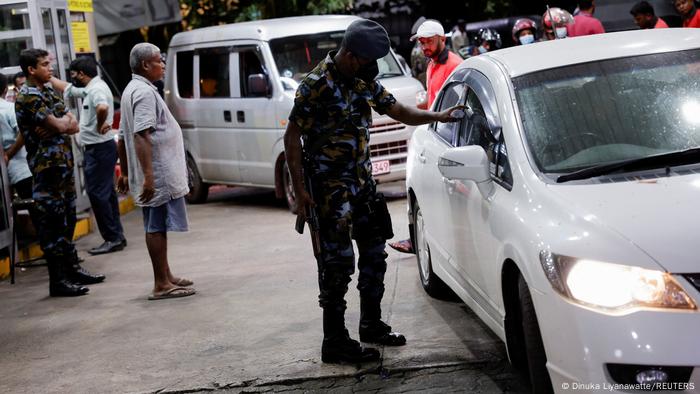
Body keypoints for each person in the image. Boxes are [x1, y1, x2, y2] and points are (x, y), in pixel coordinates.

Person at [284, 18, 463, 364]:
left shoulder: (363, 79)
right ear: (351, 55)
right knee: (336, 266)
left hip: (363, 185)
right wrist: (299, 189)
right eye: (367, 61)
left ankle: (371, 324)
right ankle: (334, 341)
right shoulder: (315, 85)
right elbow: (293, 135)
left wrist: (439, 116)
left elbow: (400, 111)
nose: (371, 68)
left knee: (374, 255)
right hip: (329, 191)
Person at [15, 48, 105, 297]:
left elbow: (72, 123)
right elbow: (58, 123)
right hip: (46, 170)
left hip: (62, 167)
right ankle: (58, 280)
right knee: (52, 224)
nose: (51, 68)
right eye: (45, 64)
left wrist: (60, 126)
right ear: (32, 70)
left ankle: (72, 269)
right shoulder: (28, 97)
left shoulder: (46, 91)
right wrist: (60, 125)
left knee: (66, 219)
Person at [117, 43, 196, 301]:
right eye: (158, 60)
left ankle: (166, 275)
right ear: (145, 65)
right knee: (155, 226)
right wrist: (149, 176)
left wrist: (126, 173)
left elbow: (121, 138)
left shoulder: (136, 89)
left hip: (152, 172)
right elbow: (141, 135)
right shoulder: (142, 93)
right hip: (157, 174)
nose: (162, 64)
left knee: (157, 224)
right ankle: (161, 283)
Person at [389, 19, 461, 255]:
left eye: (428, 41)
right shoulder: (431, 65)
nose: (424, 47)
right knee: (421, 190)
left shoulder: (455, 65)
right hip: (433, 135)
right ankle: (418, 237)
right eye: (421, 43)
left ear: (442, 39)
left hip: (449, 138)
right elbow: (432, 102)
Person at [49, 56, 127, 255]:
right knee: (107, 193)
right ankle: (117, 236)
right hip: (99, 148)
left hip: (99, 149)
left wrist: (101, 123)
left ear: (82, 74)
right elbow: (67, 87)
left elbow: (102, 107)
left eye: (74, 74)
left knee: (97, 194)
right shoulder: (90, 87)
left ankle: (112, 238)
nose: (73, 77)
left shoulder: (96, 89)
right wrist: (48, 77)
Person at [0, 74, 34, 205]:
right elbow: (24, 133)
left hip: (13, 172)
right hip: (20, 170)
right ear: (5, 90)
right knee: (30, 208)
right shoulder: (9, 108)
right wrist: (8, 155)